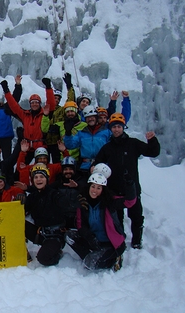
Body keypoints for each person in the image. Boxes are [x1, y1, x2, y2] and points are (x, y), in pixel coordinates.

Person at [94, 113, 161, 249]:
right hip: (114, 189)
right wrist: (93, 168)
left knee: (136, 216)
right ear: (110, 129)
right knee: (116, 219)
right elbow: (98, 162)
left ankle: (136, 241)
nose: (116, 129)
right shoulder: (107, 148)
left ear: (123, 127)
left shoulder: (133, 144)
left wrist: (152, 140)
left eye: (119, 126)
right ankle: (119, 239)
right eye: (114, 127)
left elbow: (153, 152)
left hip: (132, 188)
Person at [65, 172, 136, 271]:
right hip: (95, 241)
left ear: (103, 190)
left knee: (90, 264)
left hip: (111, 244)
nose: (95, 190)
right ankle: (92, 255)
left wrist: (130, 183)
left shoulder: (110, 202)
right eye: (93, 186)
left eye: (99, 188)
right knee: (69, 236)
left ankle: (114, 258)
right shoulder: (83, 202)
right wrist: (89, 236)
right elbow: (80, 224)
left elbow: (130, 202)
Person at [0, 78, 56, 162]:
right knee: (21, 168)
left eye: (36, 102)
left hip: (40, 146)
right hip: (27, 146)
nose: (34, 104)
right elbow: (14, 105)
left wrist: (48, 87)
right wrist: (6, 90)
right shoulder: (25, 115)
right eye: (32, 102)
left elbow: (51, 104)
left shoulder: (44, 114)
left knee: (43, 168)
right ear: (30, 104)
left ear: (39, 103)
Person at [24, 164, 67, 266]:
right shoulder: (32, 197)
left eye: (42, 177)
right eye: (36, 177)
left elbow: (67, 208)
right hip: (40, 233)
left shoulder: (55, 194)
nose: (39, 180)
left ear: (47, 179)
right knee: (17, 224)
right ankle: (23, 251)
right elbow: (21, 211)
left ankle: (57, 252)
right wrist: (19, 201)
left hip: (55, 235)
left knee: (43, 259)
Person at [63, 105, 111, 177]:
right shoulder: (81, 133)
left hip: (102, 166)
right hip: (85, 166)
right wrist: (68, 133)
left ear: (96, 117)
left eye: (92, 117)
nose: (90, 119)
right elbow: (70, 145)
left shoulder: (106, 132)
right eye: (88, 117)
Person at [43, 73, 76, 163]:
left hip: (57, 142)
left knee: (57, 164)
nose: (56, 100)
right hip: (45, 141)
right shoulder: (44, 110)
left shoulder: (62, 110)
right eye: (55, 98)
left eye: (58, 98)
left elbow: (71, 101)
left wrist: (69, 86)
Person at [50, 156, 86, 229]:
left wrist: (77, 186)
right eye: (65, 169)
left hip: (78, 218)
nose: (68, 171)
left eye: (70, 169)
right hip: (61, 218)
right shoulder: (59, 182)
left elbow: (87, 188)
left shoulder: (81, 179)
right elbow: (46, 189)